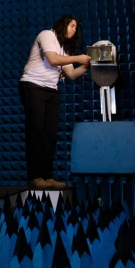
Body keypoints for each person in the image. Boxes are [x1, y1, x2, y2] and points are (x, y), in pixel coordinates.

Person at [19, 16, 91, 190]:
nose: (74, 30)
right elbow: (52, 59)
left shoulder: (63, 49)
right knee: (36, 131)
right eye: (72, 25)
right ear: (63, 24)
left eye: (76, 27)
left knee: (49, 134)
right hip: (33, 86)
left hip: (51, 91)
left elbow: (72, 74)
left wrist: (87, 64)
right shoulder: (47, 35)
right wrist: (77, 58)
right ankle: (35, 176)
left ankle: (47, 176)